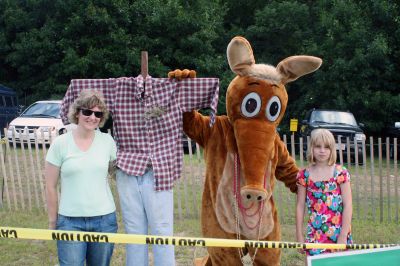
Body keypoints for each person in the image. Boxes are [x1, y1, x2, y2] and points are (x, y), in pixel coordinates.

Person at [60, 73, 219, 266]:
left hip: (161, 170)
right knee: (134, 232)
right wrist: (67, 113)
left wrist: (209, 115)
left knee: (162, 232)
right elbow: (78, 86)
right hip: (128, 168)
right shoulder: (117, 89)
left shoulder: (174, 88)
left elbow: (212, 86)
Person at [45, 90, 118, 266]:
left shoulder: (108, 142)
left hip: (104, 221)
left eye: (98, 114)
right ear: (77, 113)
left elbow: (116, 174)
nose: (92, 117)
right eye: (87, 111)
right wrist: (53, 220)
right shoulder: (60, 144)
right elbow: (50, 186)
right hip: (69, 221)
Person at [296, 128, 353, 257]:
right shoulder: (303, 175)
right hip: (314, 235)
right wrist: (299, 235)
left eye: (326, 147)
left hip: (338, 234)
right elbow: (300, 206)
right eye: (318, 146)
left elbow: (348, 205)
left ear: (332, 149)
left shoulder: (341, 173)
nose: (322, 150)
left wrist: (343, 235)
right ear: (311, 148)